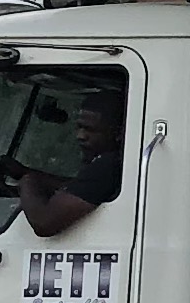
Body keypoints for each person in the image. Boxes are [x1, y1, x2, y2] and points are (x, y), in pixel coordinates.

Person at [18, 81, 125, 241]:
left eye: (90, 130)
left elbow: (45, 223)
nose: (80, 136)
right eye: (79, 127)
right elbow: (80, 187)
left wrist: (26, 182)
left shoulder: (109, 166)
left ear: (118, 133)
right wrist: (27, 173)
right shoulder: (109, 163)